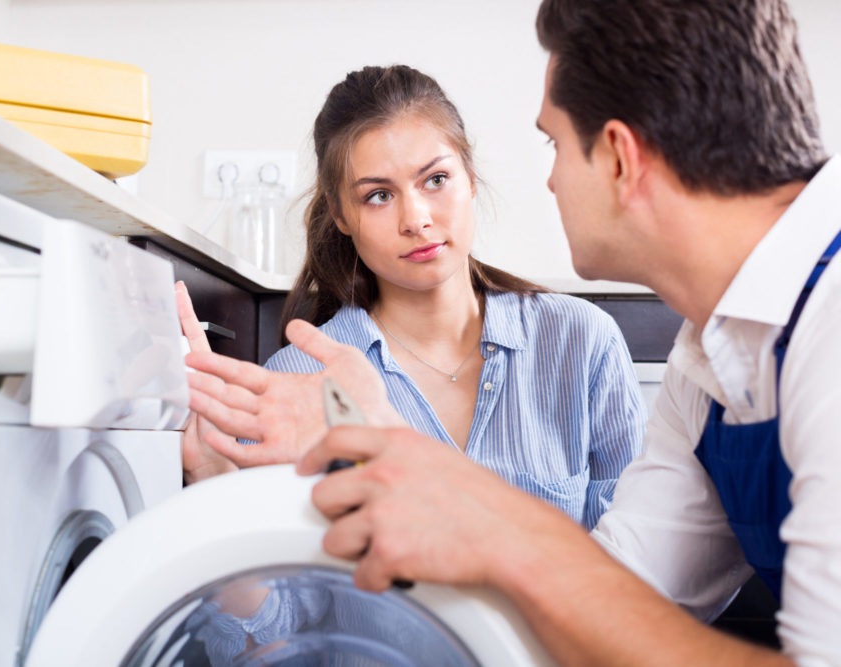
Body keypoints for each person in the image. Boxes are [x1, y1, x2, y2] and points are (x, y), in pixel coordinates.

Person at [187, 0, 841, 663]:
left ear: (618, 157)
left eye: (554, 143)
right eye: (379, 194)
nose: (551, 177)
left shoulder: (827, 331)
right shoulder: (707, 363)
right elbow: (615, 599)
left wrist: (405, 458)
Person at [179, 64, 646, 531]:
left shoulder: (580, 341)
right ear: (340, 214)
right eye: (379, 196)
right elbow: (282, 606)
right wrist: (213, 483)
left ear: (471, 178)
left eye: (436, 180)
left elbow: (640, 568)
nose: (415, 219)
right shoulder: (296, 383)